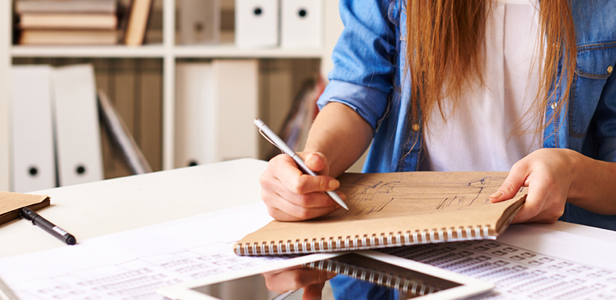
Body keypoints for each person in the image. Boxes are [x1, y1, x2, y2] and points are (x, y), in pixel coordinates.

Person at [259, 0, 616, 232]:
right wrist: (312, 164)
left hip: (553, 259)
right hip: (409, 251)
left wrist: (572, 172)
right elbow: (356, 93)